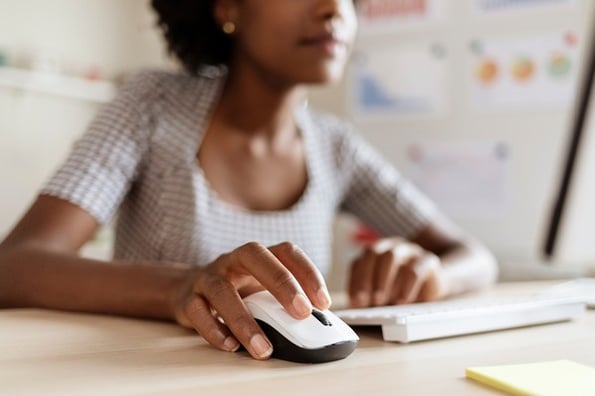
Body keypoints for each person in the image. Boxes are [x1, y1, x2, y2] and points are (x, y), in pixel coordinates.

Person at [0, 0, 497, 361]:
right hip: (148, 373)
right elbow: (14, 267)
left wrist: (433, 273)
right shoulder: (152, 107)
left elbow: (476, 257)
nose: (334, 10)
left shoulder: (335, 146)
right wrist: (183, 286)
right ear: (226, 7)